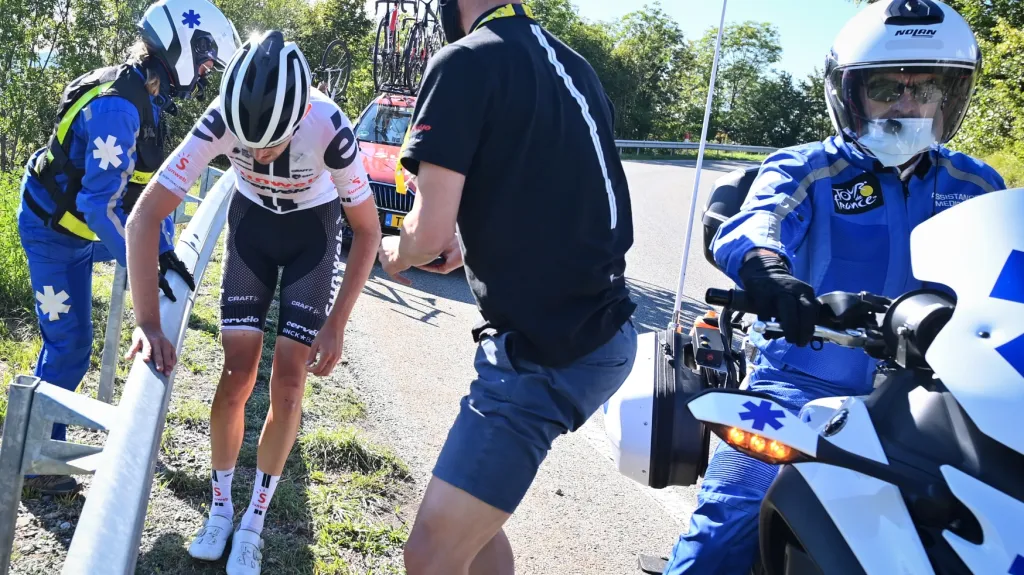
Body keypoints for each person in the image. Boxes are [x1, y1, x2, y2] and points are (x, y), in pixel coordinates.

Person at [662, 1, 1006, 573]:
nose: (907, 105)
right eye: (886, 89)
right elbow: (759, 221)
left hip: (940, 395)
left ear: (950, 98)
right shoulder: (806, 168)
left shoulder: (975, 182)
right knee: (727, 526)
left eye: (925, 89)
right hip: (802, 382)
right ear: (850, 94)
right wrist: (769, 271)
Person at [375, 1, 637, 573]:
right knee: (474, 535)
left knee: (429, 554)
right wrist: (471, 244)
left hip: (546, 351)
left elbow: (425, 233)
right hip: (602, 324)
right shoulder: (573, 65)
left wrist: (397, 250)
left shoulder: (464, 61)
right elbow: (555, 189)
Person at [124, 29, 381, 575]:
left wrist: (337, 323)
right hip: (252, 231)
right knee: (237, 373)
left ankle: (254, 523)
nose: (260, 155)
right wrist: (147, 322)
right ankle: (220, 509)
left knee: (288, 385)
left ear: (300, 116)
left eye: (273, 144)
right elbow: (144, 218)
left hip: (313, 233)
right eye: (248, 144)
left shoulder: (329, 125)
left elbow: (367, 230)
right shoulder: (220, 116)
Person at [15, 0, 239, 495]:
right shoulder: (119, 107)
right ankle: (30, 460)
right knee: (69, 346)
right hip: (53, 234)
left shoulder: (146, 95)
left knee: (71, 344)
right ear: (182, 48)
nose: (205, 74)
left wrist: (163, 250)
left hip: (76, 231)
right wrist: (146, 266)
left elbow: (143, 195)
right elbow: (100, 207)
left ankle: (34, 446)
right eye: (205, 63)